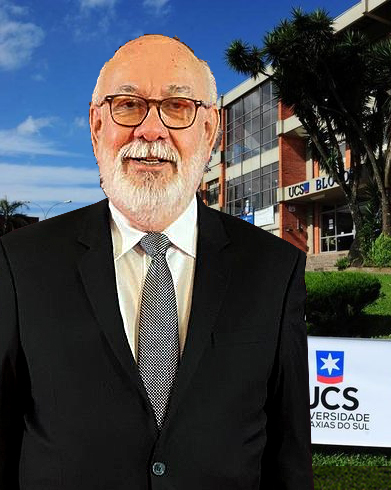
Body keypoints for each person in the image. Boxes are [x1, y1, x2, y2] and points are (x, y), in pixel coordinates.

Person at [0, 34, 312, 489]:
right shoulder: (20, 263)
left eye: (177, 107)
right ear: (96, 126)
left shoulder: (274, 269)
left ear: (209, 130)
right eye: (128, 106)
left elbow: (289, 456)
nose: (150, 131)